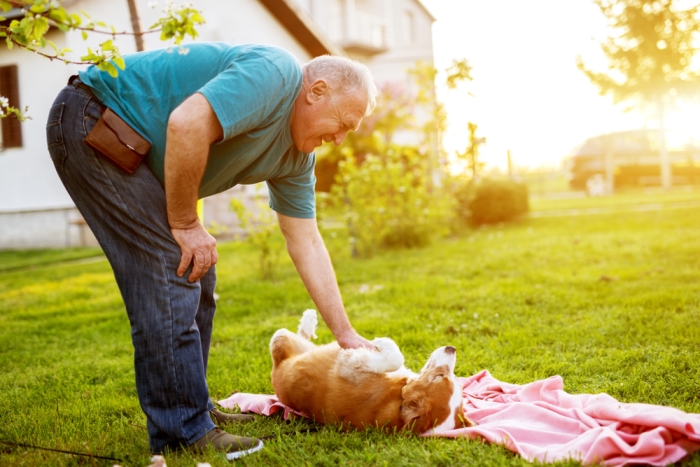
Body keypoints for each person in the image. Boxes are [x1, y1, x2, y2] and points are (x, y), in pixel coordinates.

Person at [45, 42, 377, 460]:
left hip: (135, 147)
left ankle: (194, 411)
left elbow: (306, 242)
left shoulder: (297, 159)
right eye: (342, 123)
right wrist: (185, 224)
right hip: (95, 116)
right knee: (175, 264)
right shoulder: (276, 74)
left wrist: (345, 335)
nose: (340, 139)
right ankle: (181, 431)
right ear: (316, 91)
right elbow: (186, 124)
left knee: (197, 267)